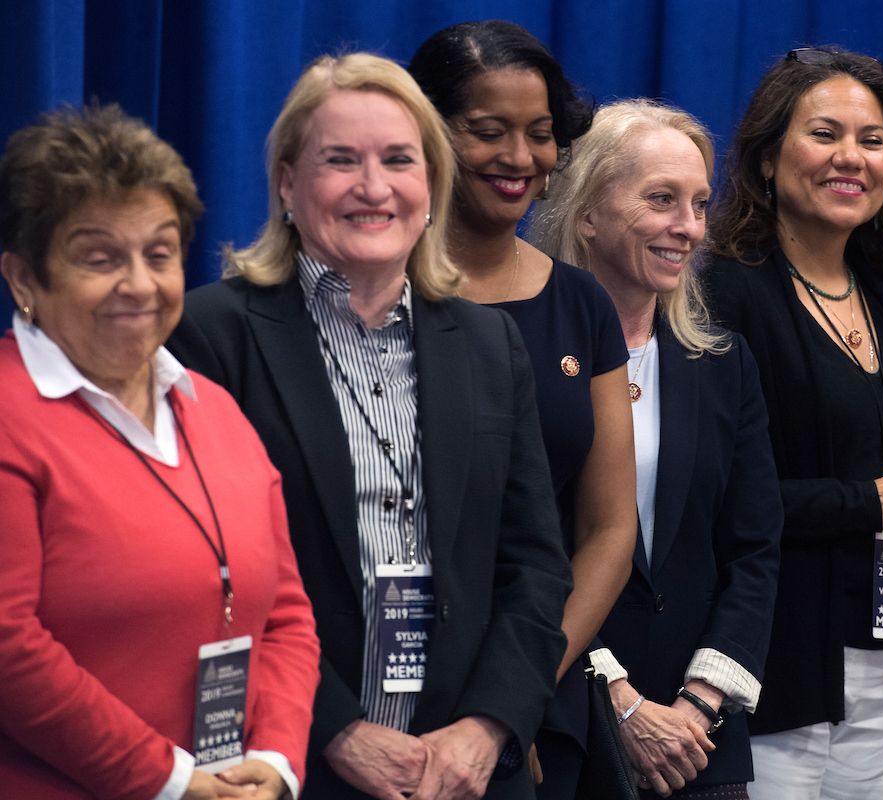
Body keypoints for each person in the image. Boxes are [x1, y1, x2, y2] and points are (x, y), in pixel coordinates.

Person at [167, 53, 573, 800]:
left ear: (431, 185)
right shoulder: (206, 337)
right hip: (289, 764)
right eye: (340, 160)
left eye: (397, 159)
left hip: (465, 773)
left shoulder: (490, 344)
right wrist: (339, 732)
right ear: (288, 183)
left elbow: (536, 567)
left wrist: (487, 727)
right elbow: (202, 581)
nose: (373, 186)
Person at [0, 104, 320, 800]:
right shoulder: (8, 416)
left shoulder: (216, 407)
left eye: (160, 252)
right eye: (99, 258)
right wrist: (172, 781)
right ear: (25, 280)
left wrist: (275, 759)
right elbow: (8, 650)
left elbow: (288, 613)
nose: (140, 284)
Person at [702, 47, 883, 799]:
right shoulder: (727, 296)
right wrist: (868, 503)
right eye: (825, 134)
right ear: (767, 158)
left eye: (872, 139)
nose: (851, 158)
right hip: (779, 664)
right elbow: (716, 496)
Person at [409, 22, 638, 798]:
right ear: (429, 133)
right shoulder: (372, 293)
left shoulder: (582, 305)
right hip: (385, 693)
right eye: (489, 131)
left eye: (540, 134)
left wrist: (513, 698)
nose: (519, 158)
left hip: (540, 691)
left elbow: (609, 528)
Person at [530, 99, 783, 800]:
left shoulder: (724, 363)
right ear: (587, 212)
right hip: (570, 730)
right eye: (662, 200)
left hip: (699, 748)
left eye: (700, 203)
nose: (690, 227)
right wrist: (621, 700)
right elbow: (523, 551)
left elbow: (755, 548)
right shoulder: (517, 354)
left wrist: (699, 702)